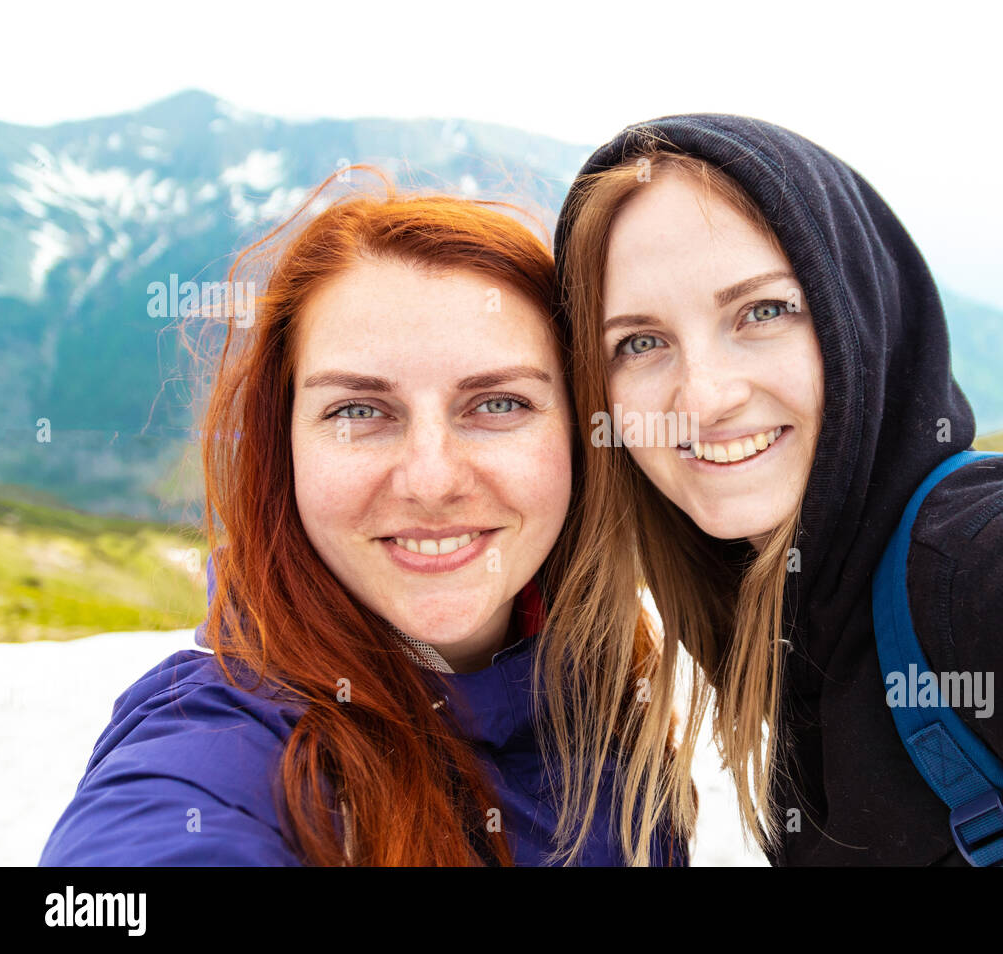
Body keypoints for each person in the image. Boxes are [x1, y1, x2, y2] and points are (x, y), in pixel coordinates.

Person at [543, 113, 1003, 865]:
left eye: (763, 311)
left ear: (859, 315)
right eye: (640, 343)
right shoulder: (801, 615)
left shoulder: (996, 564)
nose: (703, 398)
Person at [39, 168, 689, 867]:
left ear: (582, 439)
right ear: (283, 447)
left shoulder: (608, 709)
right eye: (358, 411)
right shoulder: (217, 742)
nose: (432, 481)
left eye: (499, 403)